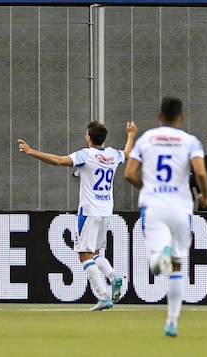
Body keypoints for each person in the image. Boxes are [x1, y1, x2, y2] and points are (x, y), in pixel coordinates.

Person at [18, 120, 137, 311]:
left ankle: (103, 295)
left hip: (89, 211)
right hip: (106, 210)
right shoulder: (113, 155)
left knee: (84, 254)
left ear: (88, 137)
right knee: (96, 252)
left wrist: (32, 152)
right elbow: (128, 153)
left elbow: (58, 160)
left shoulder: (86, 155)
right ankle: (113, 276)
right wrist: (131, 135)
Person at [124, 97, 207, 337]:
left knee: (157, 258)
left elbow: (129, 173)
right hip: (181, 209)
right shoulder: (190, 141)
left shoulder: (146, 139)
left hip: (154, 207)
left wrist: (146, 188)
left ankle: (158, 257)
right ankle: (172, 321)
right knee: (177, 267)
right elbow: (201, 172)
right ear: (181, 117)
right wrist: (204, 195)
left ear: (159, 117)